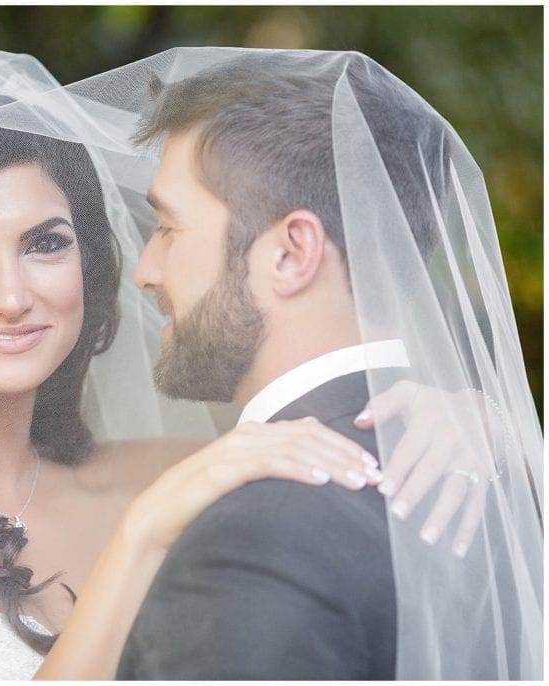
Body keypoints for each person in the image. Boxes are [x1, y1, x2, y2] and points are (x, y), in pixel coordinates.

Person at [0, 41, 537, 680]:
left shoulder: (195, 467)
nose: (12, 295)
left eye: (46, 244)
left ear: (91, 261)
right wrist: (138, 539)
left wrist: (461, 412)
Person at [107, 50, 543, 679]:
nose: (145, 273)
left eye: (169, 228)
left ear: (291, 253)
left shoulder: (252, 538)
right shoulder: (510, 479)